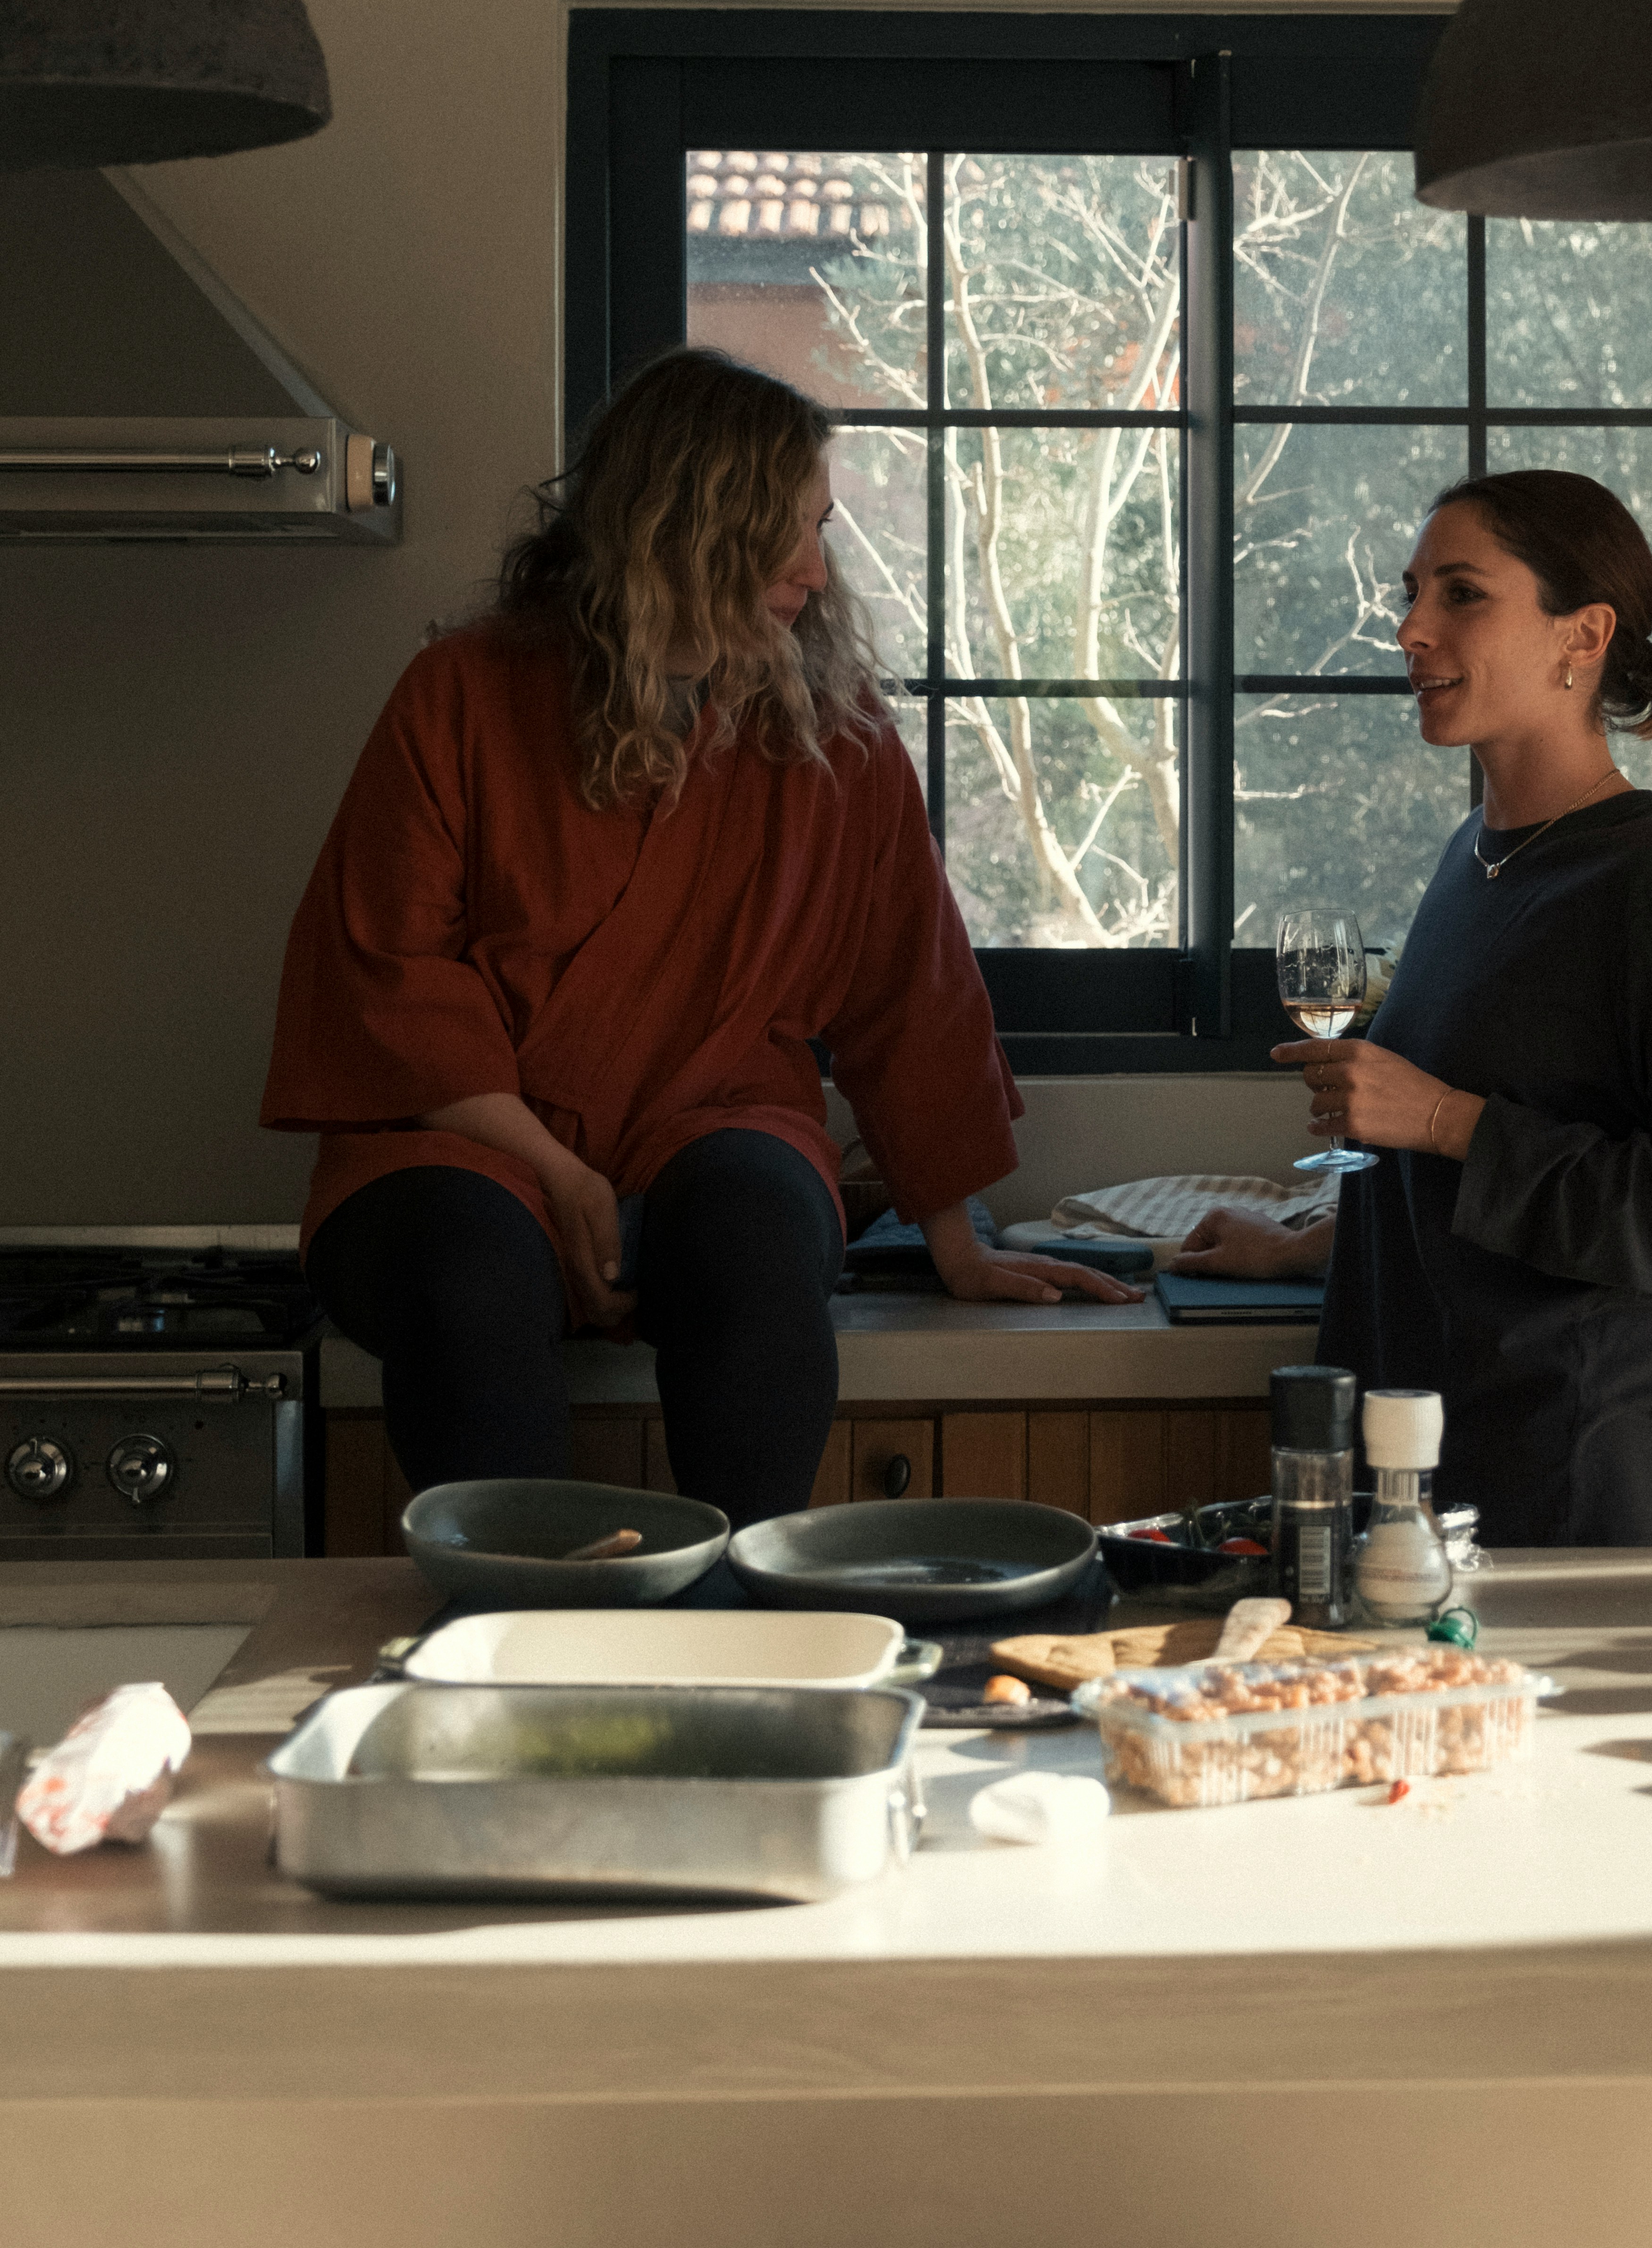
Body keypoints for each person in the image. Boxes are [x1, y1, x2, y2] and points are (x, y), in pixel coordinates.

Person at [263, 349, 1132, 1523]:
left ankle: (742, 1608)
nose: (817, 575)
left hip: (709, 1122)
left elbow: (909, 988)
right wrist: (557, 1172)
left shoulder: (838, 736)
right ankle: (516, 1628)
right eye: (787, 536)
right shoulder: (462, 693)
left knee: (760, 1233)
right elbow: (390, 976)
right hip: (460, 1145)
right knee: (464, 1267)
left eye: (820, 531)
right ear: (685, 525)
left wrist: (956, 1241)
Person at [1178, 468, 1652, 1547]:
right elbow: (1473, 1184)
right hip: (1424, 1473)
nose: (1411, 629)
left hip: (1571, 1486)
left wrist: (1439, 1118)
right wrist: (1311, 1243)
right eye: (1413, 593)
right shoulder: (1476, 858)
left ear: (1582, 635)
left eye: (1461, 594)